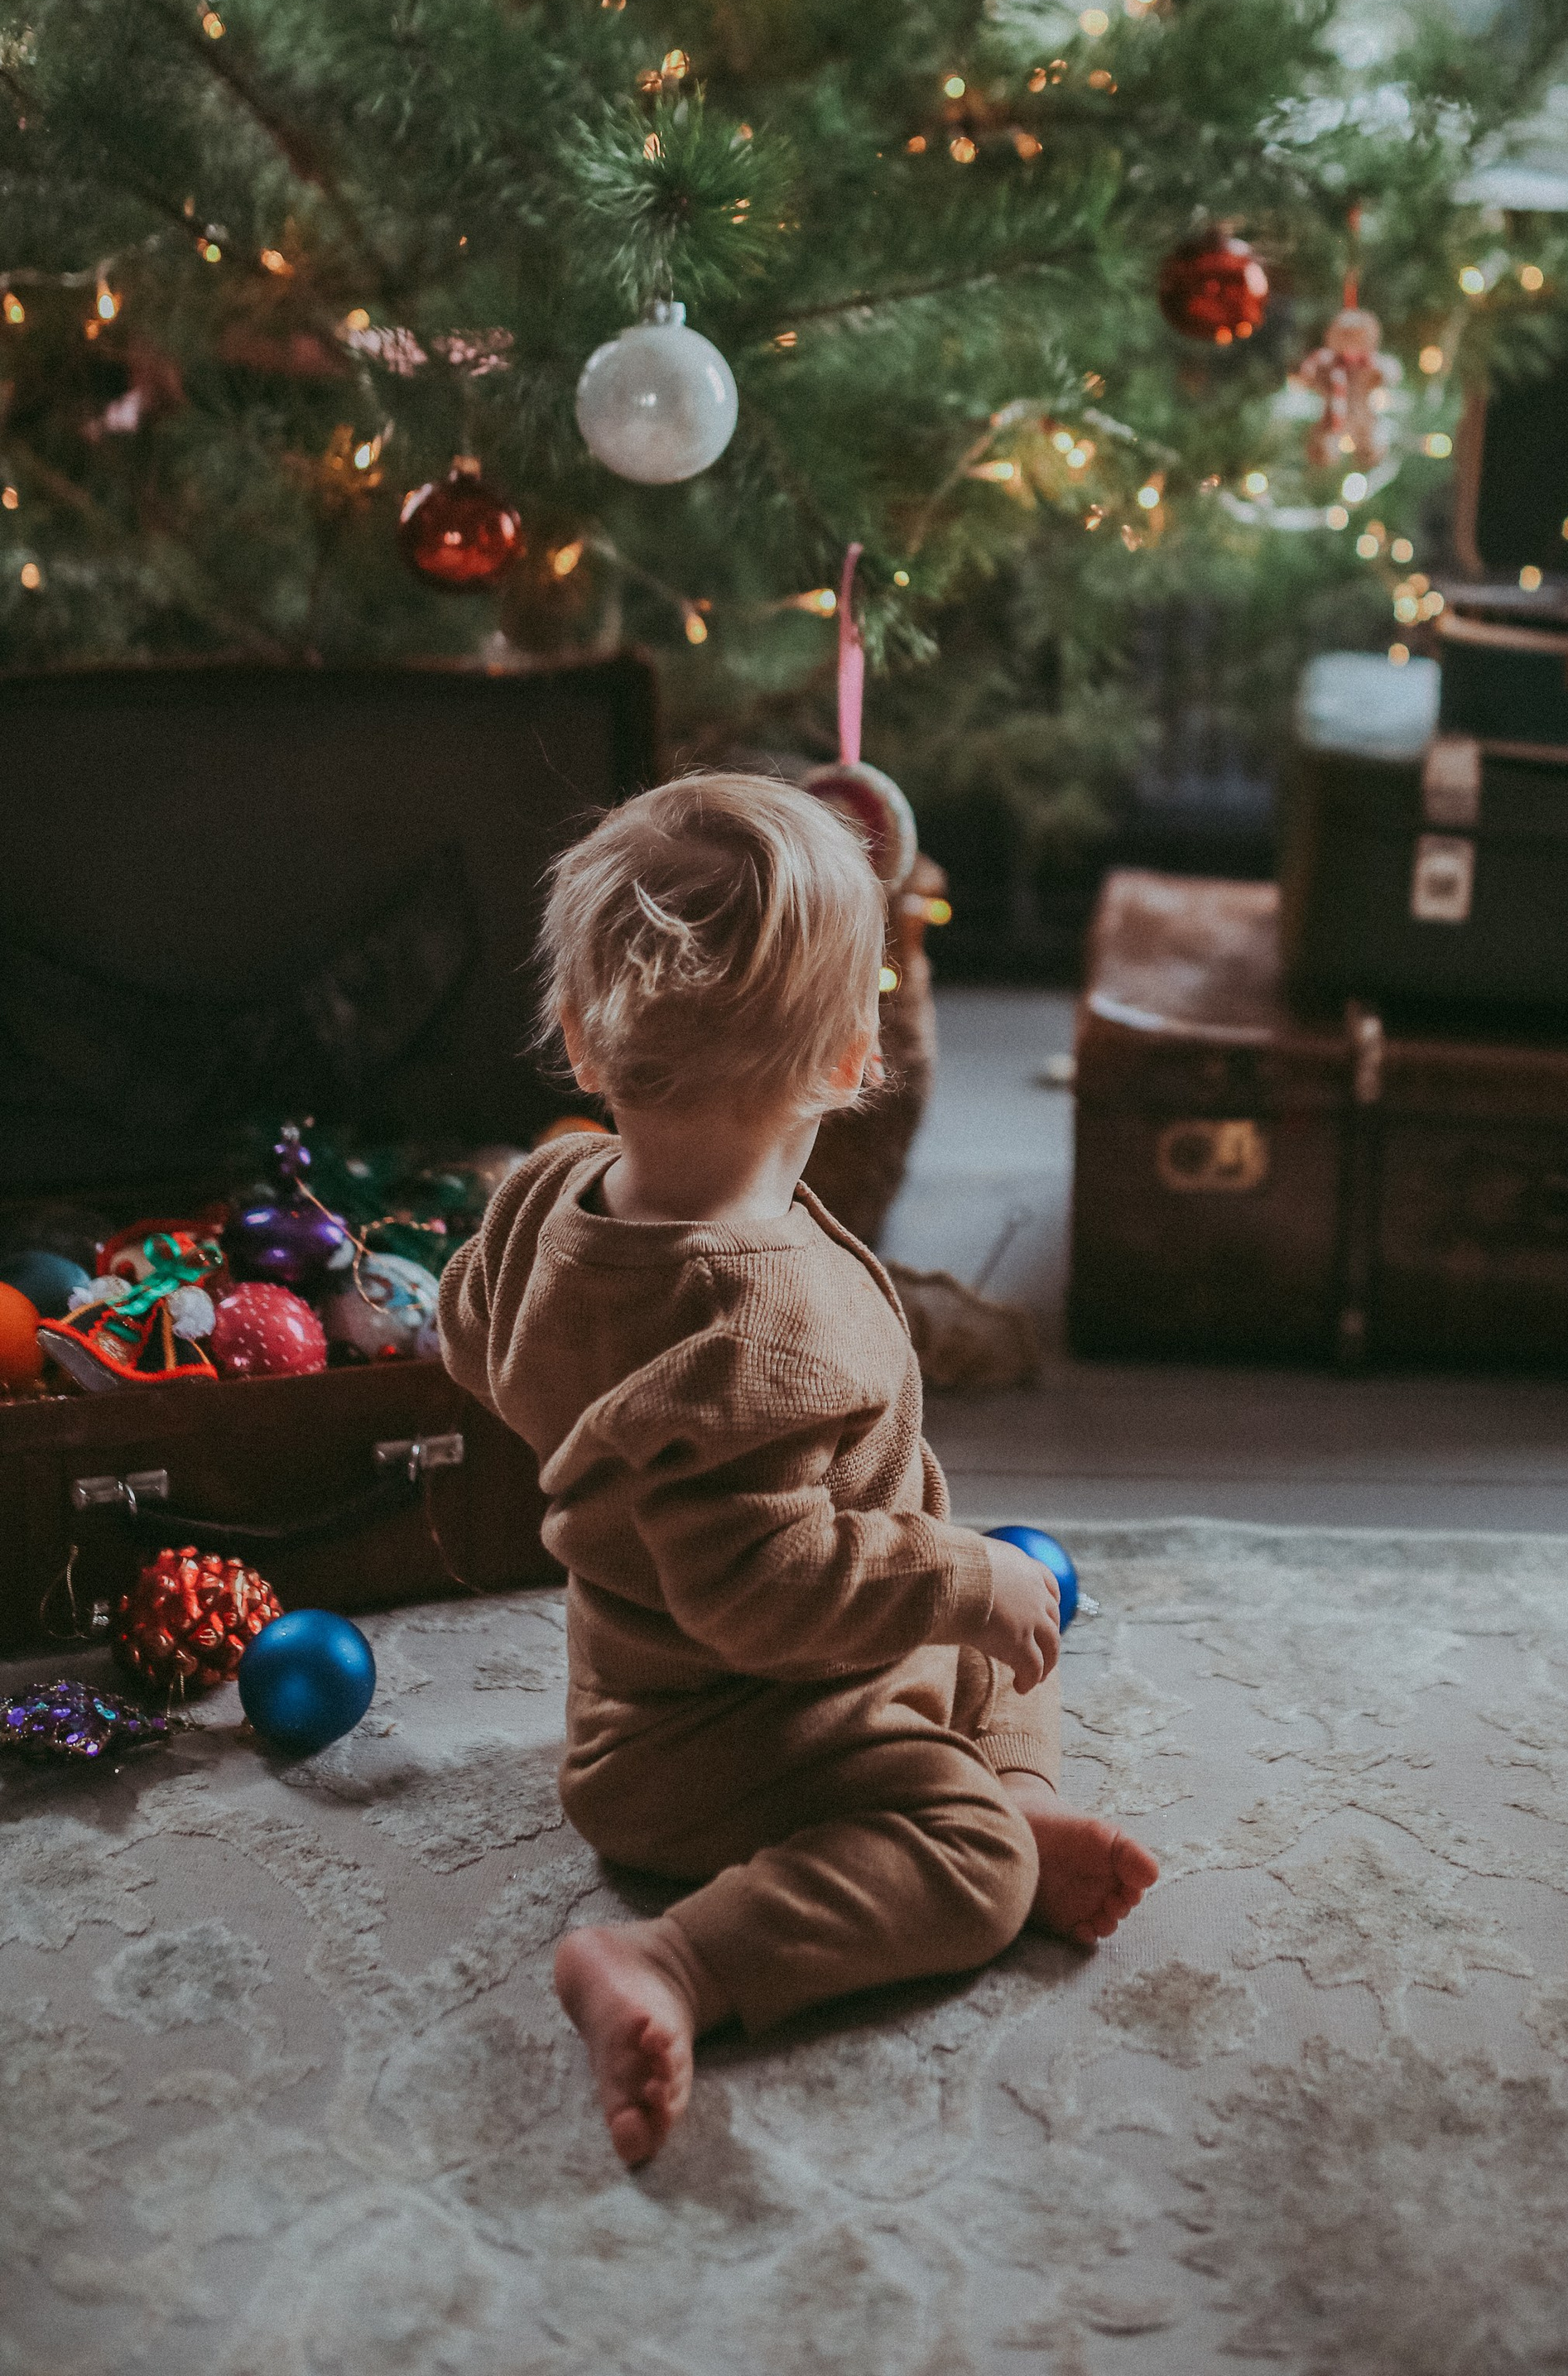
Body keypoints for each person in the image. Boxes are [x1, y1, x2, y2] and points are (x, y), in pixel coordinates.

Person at [437, 772, 1157, 2164]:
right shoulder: (771, 1315)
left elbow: (473, 1332)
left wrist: (952, 1585)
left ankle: (1018, 1784)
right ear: (848, 1058)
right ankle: (675, 1962)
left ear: (587, 1041)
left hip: (668, 1677)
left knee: (1002, 1640)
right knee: (970, 1860)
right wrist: (951, 1576)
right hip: (723, 1739)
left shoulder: (547, 1192)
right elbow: (758, 1593)